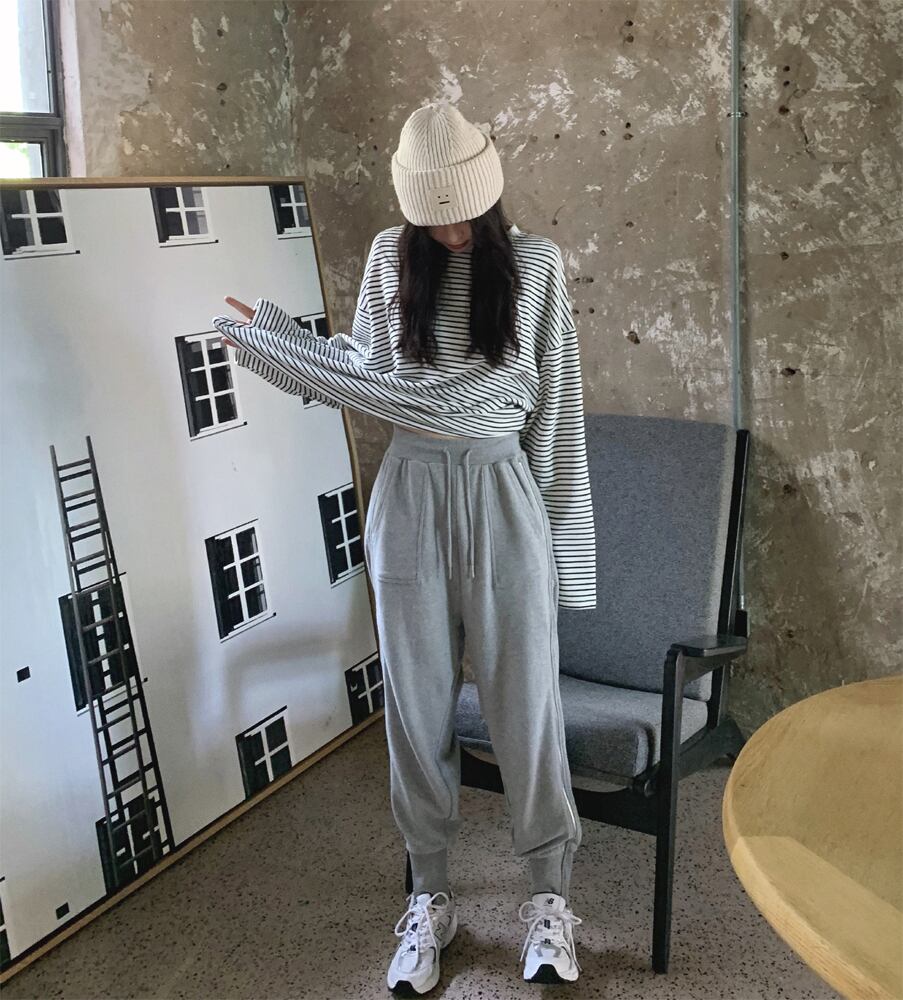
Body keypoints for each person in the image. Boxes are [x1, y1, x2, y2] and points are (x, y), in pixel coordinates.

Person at [213, 101, 596, 993]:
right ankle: (429, 897)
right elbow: (369, 376)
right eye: (433, 217)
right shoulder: (393, 255)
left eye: (460, 214)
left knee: (526, 707)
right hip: (410, 492)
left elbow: (555, 412)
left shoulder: (536, 265)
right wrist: (276, 339)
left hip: (502, 489)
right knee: (415, 709)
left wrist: (563, 557)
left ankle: (548, 898)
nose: (449, 231)